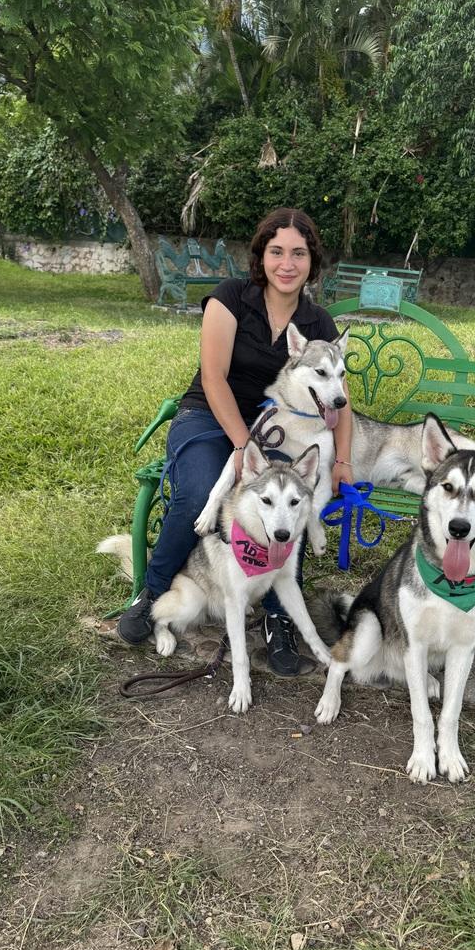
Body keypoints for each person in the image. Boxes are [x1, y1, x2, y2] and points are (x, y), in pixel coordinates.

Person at [117, 207, 354, 676]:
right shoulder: (230, 298)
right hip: (209, 414)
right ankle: (153, 592)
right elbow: (213, 377)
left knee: (289, 501)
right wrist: (247, 448)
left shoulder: (319, 323)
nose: (287, 263)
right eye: (277, 251)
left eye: (299, 253)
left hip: (279, 427)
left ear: (312, 261)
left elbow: (337, 402)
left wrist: (342, 459)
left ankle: (277, 619)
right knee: (200, 490)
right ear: (261, 256)